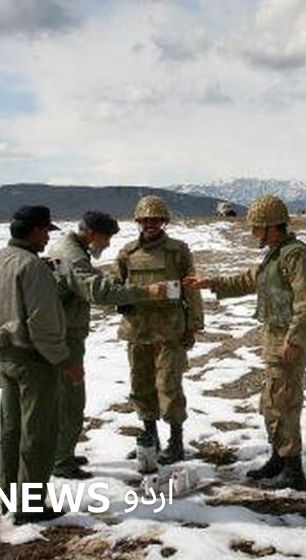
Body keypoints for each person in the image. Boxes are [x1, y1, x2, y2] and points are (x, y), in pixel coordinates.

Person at [184, 195, 306, 491]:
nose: (254, 232)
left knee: (284, 402)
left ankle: (293, 471)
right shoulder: (275, 254)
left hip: (287, 339)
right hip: (275, 336)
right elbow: (249, 280)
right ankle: (279, 459)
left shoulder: (295, 255)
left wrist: (294, 340)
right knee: (272, 401)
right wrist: (211, 283)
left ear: (272, 226)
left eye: (257, 227)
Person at [46, 210, 168, 479]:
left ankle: (62, 452)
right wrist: (145, 292)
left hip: (62, 329)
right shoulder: (73, 255)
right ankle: (61, 461)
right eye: (107, 238)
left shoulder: (69, 249)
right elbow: (97, 291)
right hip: (64, 335)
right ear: (92, 233)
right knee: (70, 399)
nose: (108, 244)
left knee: (65, 397)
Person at [0, 205, 68, 524]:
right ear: (34, 231)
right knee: (38, 433)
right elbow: (42, 323)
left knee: (11, 430)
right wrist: (61, 359)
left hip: (4, 354)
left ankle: (8, 495)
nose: (48, 238)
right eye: (45, 231)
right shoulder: (31, 266)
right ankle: (29, 506)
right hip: (34, 360)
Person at [115, 196, 204, 473]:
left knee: (169, 386)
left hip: (170, 332)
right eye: (145, 220)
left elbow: (191, 289)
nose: (150, 224)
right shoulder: (127, 253)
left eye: (155, 220)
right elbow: (115, 287)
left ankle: (176, 443)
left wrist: (193, 326)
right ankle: (150, 439)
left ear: (163, 221)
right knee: (141, 386)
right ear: (138, 222)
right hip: (138, 331)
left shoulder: (178, 251)